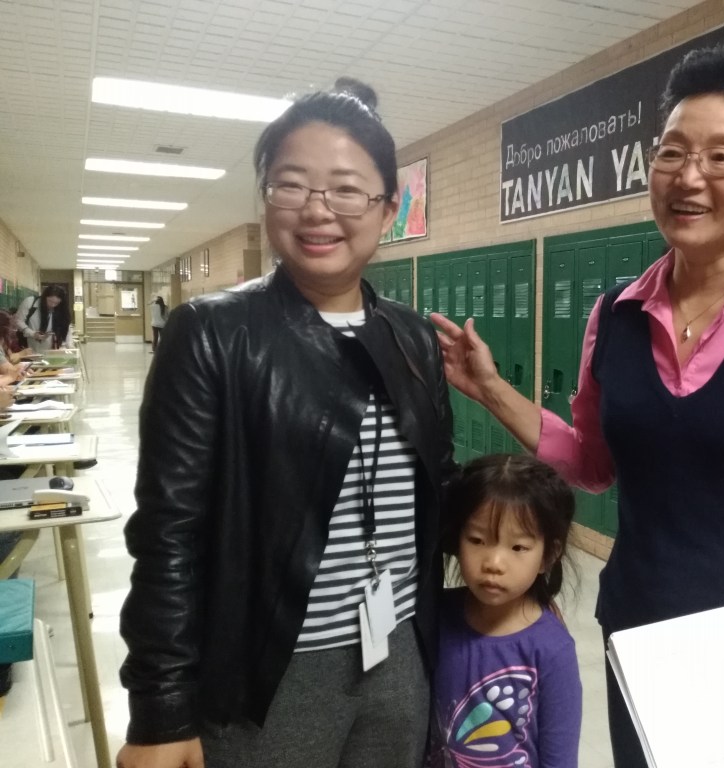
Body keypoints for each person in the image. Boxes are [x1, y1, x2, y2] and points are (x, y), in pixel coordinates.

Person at [432, 42, 724, 766]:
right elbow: (591, 462)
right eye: (673, 153)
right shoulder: (615, 316)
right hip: (641, 635)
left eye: (721, 157)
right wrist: (490, 387)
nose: (689, 177)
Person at [117, 79, 456, 768]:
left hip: (397, 650)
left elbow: (435, 493)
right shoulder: (212, 334)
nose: (317, 210)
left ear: (389, 206)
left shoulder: (412, 337)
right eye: (291, 185)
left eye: (347, 190)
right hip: (269, 674)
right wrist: (161, 712)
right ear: (266, 196)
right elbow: (168, 533)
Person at [428, 454, 582, 767]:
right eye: (477, 540)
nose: (494, 563)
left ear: (548, 555)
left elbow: (560, 758)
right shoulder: (437, 616)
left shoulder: (552, 650)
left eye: (518, 547)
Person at [15, 285, 70, 353]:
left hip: (51, 349)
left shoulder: (60, 309)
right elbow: (18, 321)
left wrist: (68, 346)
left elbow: (66, 328)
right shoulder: (30, 302)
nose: (52, 305)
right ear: (44, 297)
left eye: (56, 303)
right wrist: (32, 333)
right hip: (29, 346)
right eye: (50, 301)